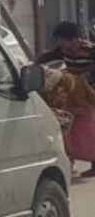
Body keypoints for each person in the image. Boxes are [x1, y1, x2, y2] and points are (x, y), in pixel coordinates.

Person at [39, 20, 95, 177]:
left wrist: (88, 74)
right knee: (69, 127)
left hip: (89, 95)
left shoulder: (90, 50)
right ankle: (70, 161)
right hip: (72, 93)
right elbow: (46, 58)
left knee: (88, 128)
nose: (60, 43)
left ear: (73, 39)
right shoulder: (63, 51)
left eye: (61, 40)